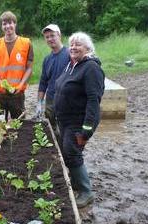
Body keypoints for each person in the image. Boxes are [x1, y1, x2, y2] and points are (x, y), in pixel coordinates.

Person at [54, 32, 105, 208]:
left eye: (79, 45)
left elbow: (93, 100)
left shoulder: (91, 68)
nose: (74, 47)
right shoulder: (72, 65)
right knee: (67, 151)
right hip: (65, 120)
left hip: (78, 121)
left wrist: (87, 129)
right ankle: (75, 183)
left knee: (72, 151)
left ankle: (86, 191)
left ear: (88, 48)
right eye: (72, 44)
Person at [0, 11, 34, 120]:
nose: (7, 26)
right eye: (4, 23)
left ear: (15, 24)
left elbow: (29, 68)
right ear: (1, 26)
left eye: (10, 23)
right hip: (0, 94)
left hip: (17, 94)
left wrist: (21, 85)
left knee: (20, 125)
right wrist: (0, 83)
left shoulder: (26, 43)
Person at [36, 24, 69, 126]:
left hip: (66, 100)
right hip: (50, 101)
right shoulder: (47, 59)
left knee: (65, 130)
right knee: (51, 129)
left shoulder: (70, 54)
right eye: (47, 37)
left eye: (52, 35)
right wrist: (39, 103)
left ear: (59, 35)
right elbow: (43, 83)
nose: (50, 39)